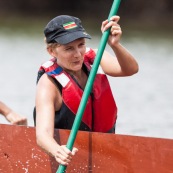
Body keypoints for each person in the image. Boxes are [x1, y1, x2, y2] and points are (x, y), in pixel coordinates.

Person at [34, 15, 139, 166]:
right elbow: (42, 136)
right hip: (69, 160)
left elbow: (130, 69)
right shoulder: (48, 84)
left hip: (103, 156)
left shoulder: (94, 58)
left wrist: (115, 45)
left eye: (81, 45)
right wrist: (57, 151)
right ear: (52, 51)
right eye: (69, 48)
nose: (77, 54)